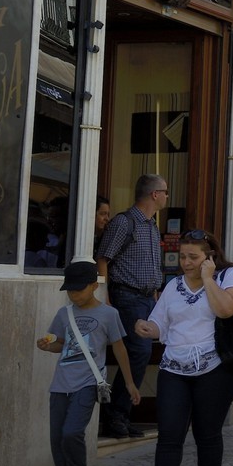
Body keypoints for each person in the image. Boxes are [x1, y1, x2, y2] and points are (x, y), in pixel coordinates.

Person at [131, 230, 233, 466]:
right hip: (174, 366)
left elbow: (225, 310)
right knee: (169, 432)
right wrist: (148, 328)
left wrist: (209, 279)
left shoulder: (231, 278)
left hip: (216, 367)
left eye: (193, 257)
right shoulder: (174, 286)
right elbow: (161, 324)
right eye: (182, 257)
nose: (185, 263)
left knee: (206, 431)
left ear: (209, 257)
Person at [37, 261, 135, 466]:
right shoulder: (64, 314)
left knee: (72, 432)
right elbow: (61, 344)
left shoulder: (109, 315)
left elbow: (119, 348)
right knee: (57, 438)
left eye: (78, 290)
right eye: (69, 291)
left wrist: (130, 383)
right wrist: (48, 346)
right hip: (60, 383)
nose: (74, 295)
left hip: (88, 382)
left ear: (94, 285)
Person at [95, 173, 168, 439]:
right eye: (165, 192)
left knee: (142, 352)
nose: (167, 197)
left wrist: (157, 295)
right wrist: (105, 296)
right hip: (127, 297)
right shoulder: (124, 223)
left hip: (148, 298)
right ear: (154, 194)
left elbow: (151, 264)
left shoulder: (150, 226)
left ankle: (120, 415)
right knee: (139, 351)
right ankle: (116, 415)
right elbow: (103, 258)